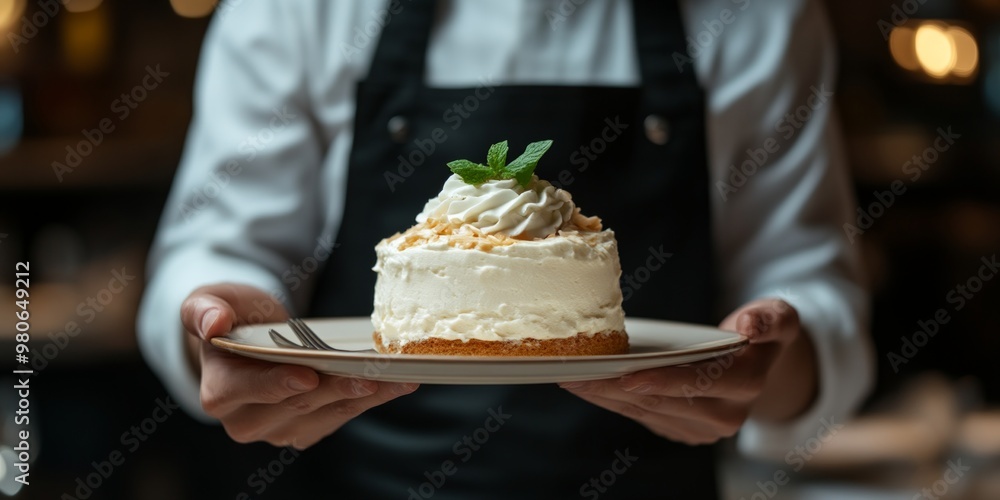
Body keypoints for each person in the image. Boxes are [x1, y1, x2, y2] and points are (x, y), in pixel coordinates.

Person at [137, 0, 873, 497]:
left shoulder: (761, 15)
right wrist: (225, 333)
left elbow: (808, 288)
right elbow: (216, 249)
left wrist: (769, 366)